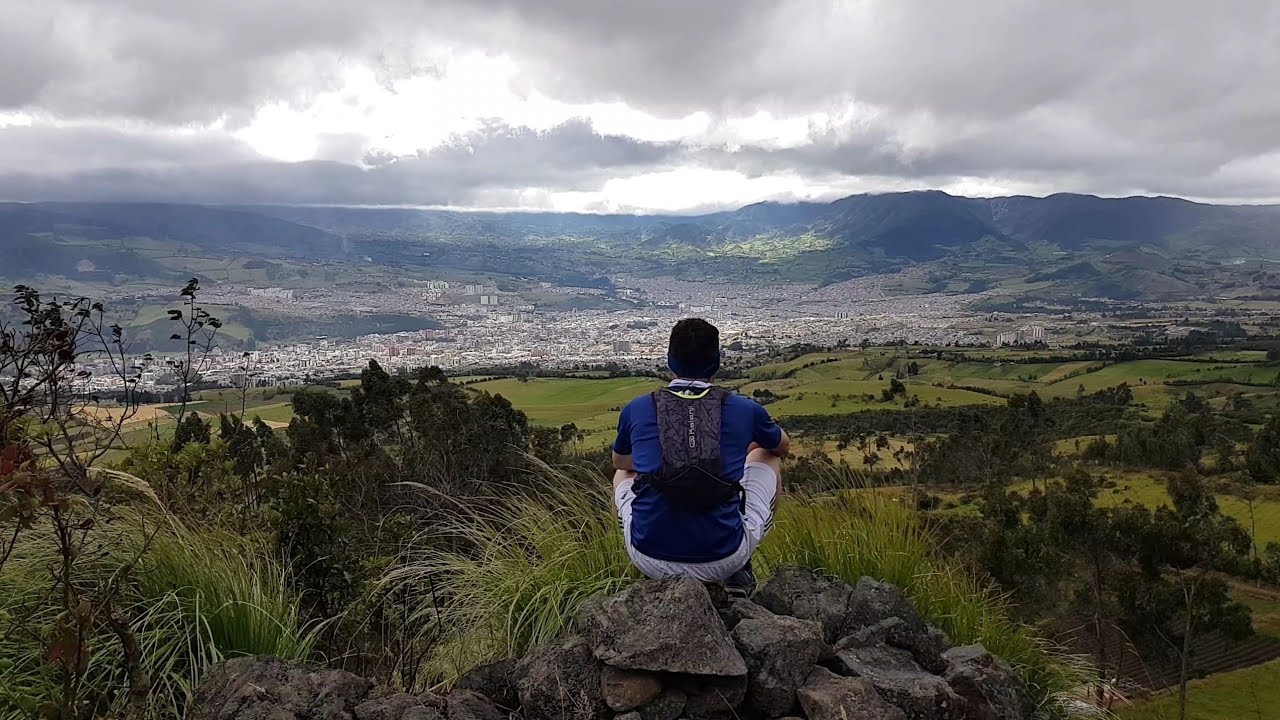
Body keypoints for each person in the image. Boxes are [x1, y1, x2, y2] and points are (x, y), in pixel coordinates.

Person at [611, 318, 790, 593]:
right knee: (767, 455)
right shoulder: (744, 409)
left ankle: (649, 572)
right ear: (716, 362)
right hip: (724, 556)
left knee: (622, 474)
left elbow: (621, 462)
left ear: (670, 360)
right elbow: (782, 447)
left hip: (648, 556)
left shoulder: (638, 408)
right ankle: (741, 570)